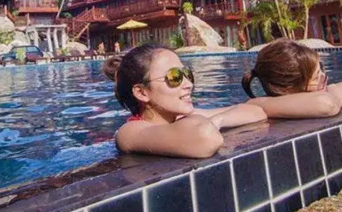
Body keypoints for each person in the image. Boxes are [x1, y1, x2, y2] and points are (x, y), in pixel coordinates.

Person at [104, 43, 266, 158]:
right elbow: (206, 138)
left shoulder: (181, 118)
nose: (189, 84)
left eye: (186, 74)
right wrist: (208, 122)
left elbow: (255, 111)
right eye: (174, 77)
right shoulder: (129, 132)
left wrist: (218, 120)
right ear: (142, 92)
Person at [242, 39, 342, 119]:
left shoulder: (313, 93)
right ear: (286, 89)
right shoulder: (260, 106)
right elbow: (327, 104)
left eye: (321, 70)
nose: (324, 77)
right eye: (316, 77)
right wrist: (336, 96)